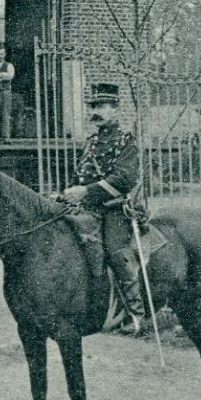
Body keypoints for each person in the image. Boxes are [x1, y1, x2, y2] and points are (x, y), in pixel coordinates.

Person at [61, 87, 149, 335]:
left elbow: (123, 178)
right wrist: (67, 192)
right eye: (93, 107)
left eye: (102, 107)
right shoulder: (91, 143)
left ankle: (135, 314)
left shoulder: (125, 142)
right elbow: (80, 175)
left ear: (116, 109)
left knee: (115, 251)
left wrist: (86, 191)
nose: (96, 112)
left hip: (115, 209)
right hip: (87, 208)